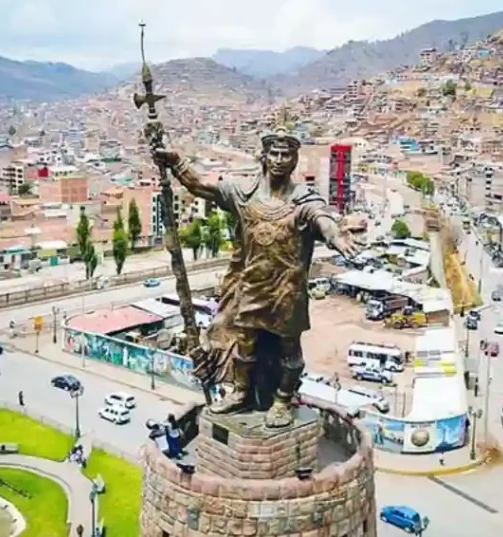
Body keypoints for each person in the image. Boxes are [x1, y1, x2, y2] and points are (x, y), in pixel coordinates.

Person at [152, 113, 358, 429]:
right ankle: (240, 392)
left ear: (294, 160)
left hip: (287, 290)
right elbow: (200, 187)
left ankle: (283, 400)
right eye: (274, 153)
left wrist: (335, 236)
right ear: (264, 156)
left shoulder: (302, 199)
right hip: (252, 286)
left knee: (289, 350)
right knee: (244, 342)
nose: (279, 160)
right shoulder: (243, 194)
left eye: (286, 154)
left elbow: (321, 218)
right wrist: (176, 162)